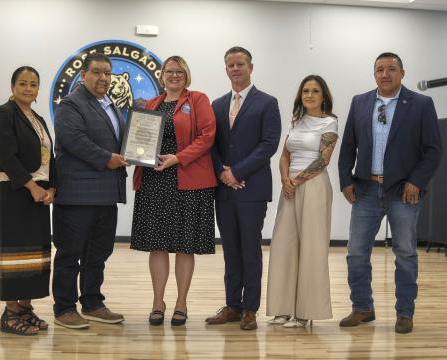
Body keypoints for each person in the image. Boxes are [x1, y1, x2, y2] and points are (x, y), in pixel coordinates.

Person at [338, 52, 442, 334]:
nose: (385, 74)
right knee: (357, 253)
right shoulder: (360, 102)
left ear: (402, 73)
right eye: (380, 69)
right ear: (374, 74)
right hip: (366, 189)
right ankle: (362, 307)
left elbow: (433, 149)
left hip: (403, 191)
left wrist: (416, 181)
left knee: (405, 253)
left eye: (391, 69)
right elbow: (348, 146)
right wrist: (345, 181)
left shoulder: (421, 103)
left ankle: (405, 312)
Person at [131, 55, 217, 326]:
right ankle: (158, 301)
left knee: (184, 246)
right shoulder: (151, 104)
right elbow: (139, 140)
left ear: (186, 74)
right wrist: (135, 153)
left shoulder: (198, 100)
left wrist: (177, 157)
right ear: (162, 75)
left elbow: (207, 136)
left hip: (188, 181)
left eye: (179, 71)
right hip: (155, 182)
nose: (174, 75)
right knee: (157, 246)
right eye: (169, 71)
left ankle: (181, 302)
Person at [206, 46, 281, 330]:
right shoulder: (217, 104)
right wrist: (223, 174)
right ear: (226, 69)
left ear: (251, 67)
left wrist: (236, 172)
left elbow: (269, 145)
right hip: (224, 190)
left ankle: (250, 308)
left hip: (252, 189)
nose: (235, 69)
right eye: (230, 65)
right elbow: (210, 145)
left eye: (240, 64)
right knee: (230, 251)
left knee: (250, 249)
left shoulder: (267, 102)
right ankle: (232, 306)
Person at [53, 53, 128, 329]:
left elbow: (121, 142)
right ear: (83, 75)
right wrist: (106, 158)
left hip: (106, 194)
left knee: (99, 253)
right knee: (70, 253)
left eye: (107, 73)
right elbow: (72, 139)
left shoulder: (111, 105)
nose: (103, 78)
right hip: (77, 195)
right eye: (97, 72)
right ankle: (64, 307)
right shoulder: (72, 104)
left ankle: (93, 303)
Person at [0, 66, 55, 335]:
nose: (28, 88)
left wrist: (52, 188)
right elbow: (7, 156)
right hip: (15, 190)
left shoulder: (38, 118)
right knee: (15, 252)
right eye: (23, 83)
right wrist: (31, 187)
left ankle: (26, 309)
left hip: (38, 193)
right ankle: (11, 313)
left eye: (33, 84)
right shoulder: (2, 114)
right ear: (12, 86)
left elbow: (50, 156)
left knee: (36, 252)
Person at [266, 75, 338, 328]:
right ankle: (283, 308)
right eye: (305, 91)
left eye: (315, 91)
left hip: (314, 186)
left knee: (312, 247)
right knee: (284, 245)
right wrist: (286, 179)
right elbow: (284, 155)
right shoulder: (295, 122)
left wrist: (297, 181)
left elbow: (324, 159)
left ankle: (304, 312)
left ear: (323, 96)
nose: (309, 95)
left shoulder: (330, 122)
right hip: (291, 187)